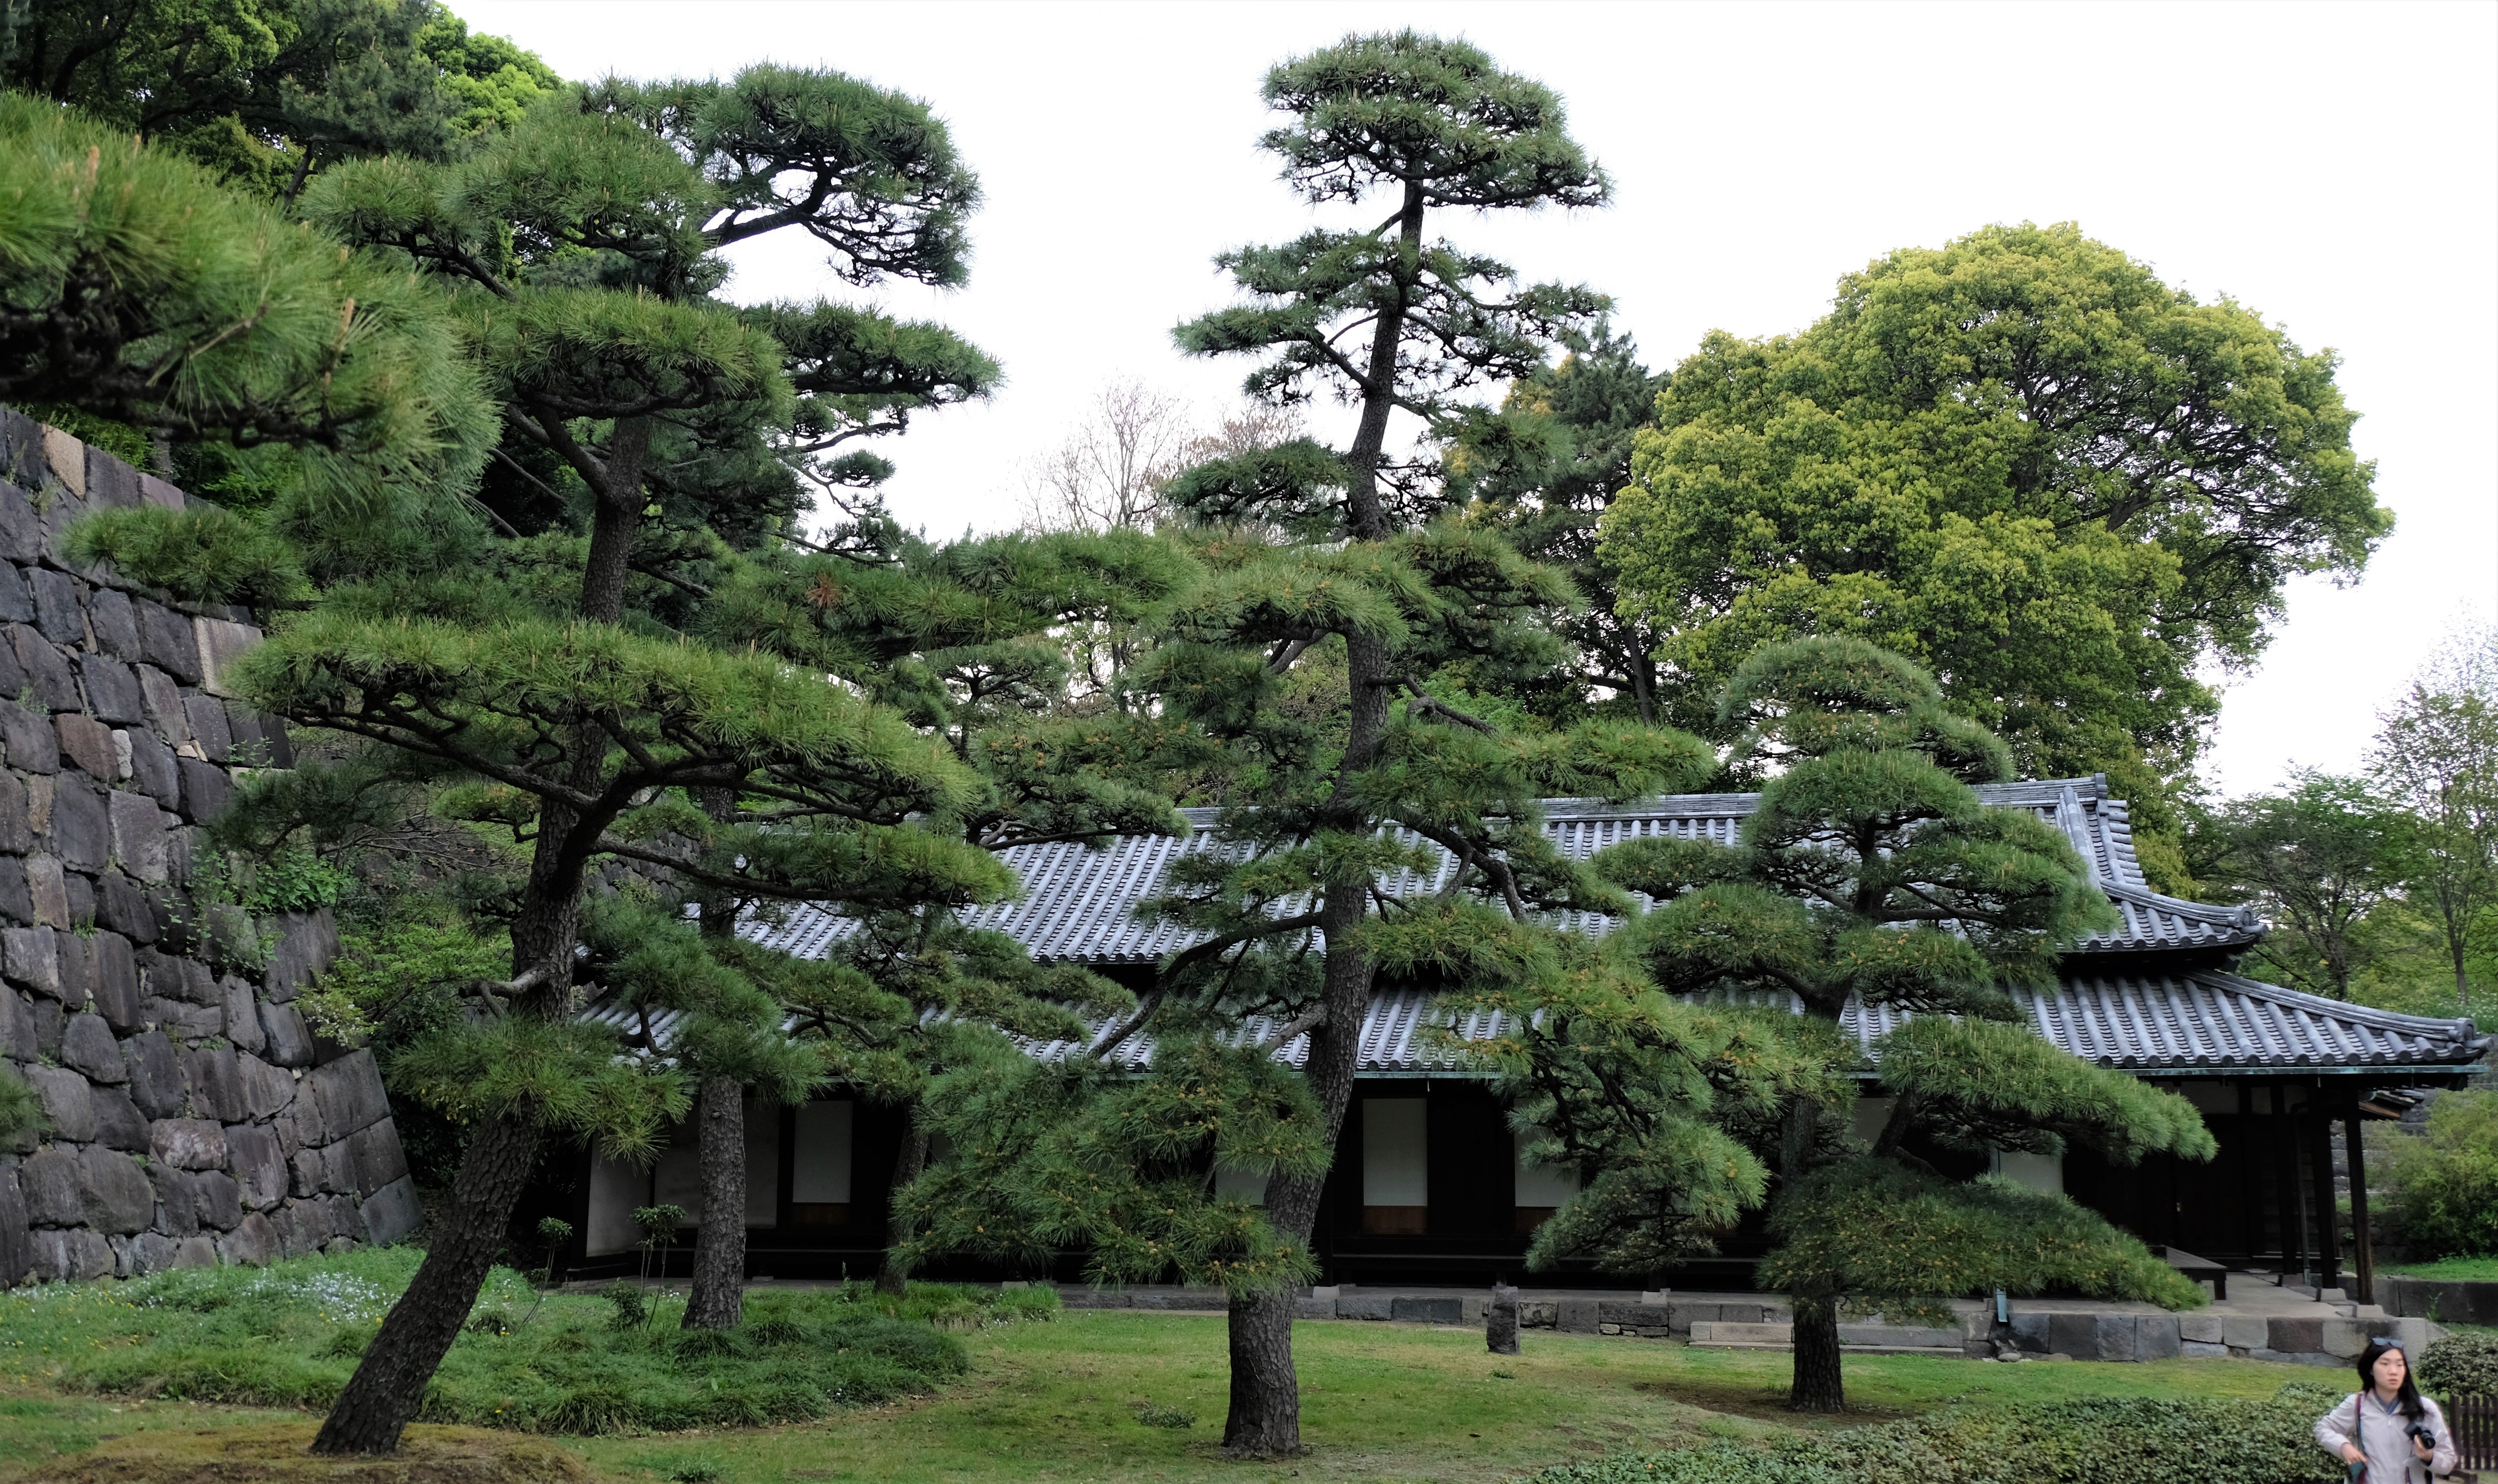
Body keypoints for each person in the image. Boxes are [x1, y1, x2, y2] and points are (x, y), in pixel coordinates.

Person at [2317, 1339, 2459, 1483]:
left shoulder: (2426, 1408)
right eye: (2385, 1364)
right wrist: (2343, 1446)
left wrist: (2429, 1456)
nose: (2393, 1371)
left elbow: (2448, 1462)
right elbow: (2323, 1428)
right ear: (2371, 1369)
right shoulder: (2358, 1404)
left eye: (2400, 1365)